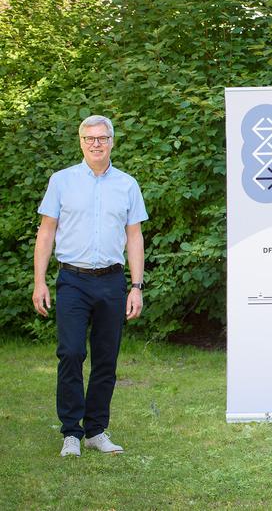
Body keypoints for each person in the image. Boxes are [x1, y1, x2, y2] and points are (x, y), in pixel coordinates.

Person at [32, 115, 148, 457]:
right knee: (70, 353)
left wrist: (136, 286)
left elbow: (134, 236)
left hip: (112, 281)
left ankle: (96, 430)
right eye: (89, 138)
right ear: (81, 142)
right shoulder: (61, 181)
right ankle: (71, 432)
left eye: (102, 138)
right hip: (73, 280)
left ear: (112, 141)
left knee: (105, 359)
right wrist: (40, 281)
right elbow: (46, 231)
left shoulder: (127, 184)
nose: (96, 144)